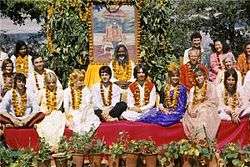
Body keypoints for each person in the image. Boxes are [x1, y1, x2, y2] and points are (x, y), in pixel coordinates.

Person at [182, 68, 220, 141]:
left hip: (208, 108)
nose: (198, 78)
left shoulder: (211, 86)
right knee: (190, 117)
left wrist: (200, 106)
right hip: (194, 109)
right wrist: (190, 111)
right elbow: (190, 102)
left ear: (204, 76)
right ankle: (196, 140)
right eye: (196, 77)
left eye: (200, 76)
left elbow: (213, 101)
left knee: (203, 113)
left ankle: (203, 140)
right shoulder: (193, 88)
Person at [64, 69, 100, 133]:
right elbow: (66, 106)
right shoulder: (67, 91)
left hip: (85, 111)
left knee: (89, 121)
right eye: (80, 81)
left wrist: (84, 110)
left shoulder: (85, 89)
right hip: (73, 112)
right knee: (74, 121)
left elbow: (88, 103)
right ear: (74, 81)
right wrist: (69, 117)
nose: (82, 82)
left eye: (82, 80)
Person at [36, 72, 66, 148]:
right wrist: (43, 112)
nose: (51, 85)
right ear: (46, 83)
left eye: (53, 82)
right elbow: (36, 106)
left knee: (56, 126)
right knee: (46, 128)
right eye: (49, 83)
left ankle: (55, 147)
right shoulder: (42, 92)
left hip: (56, 113)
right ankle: (48, 147)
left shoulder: (60, 92)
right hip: (44, 114)